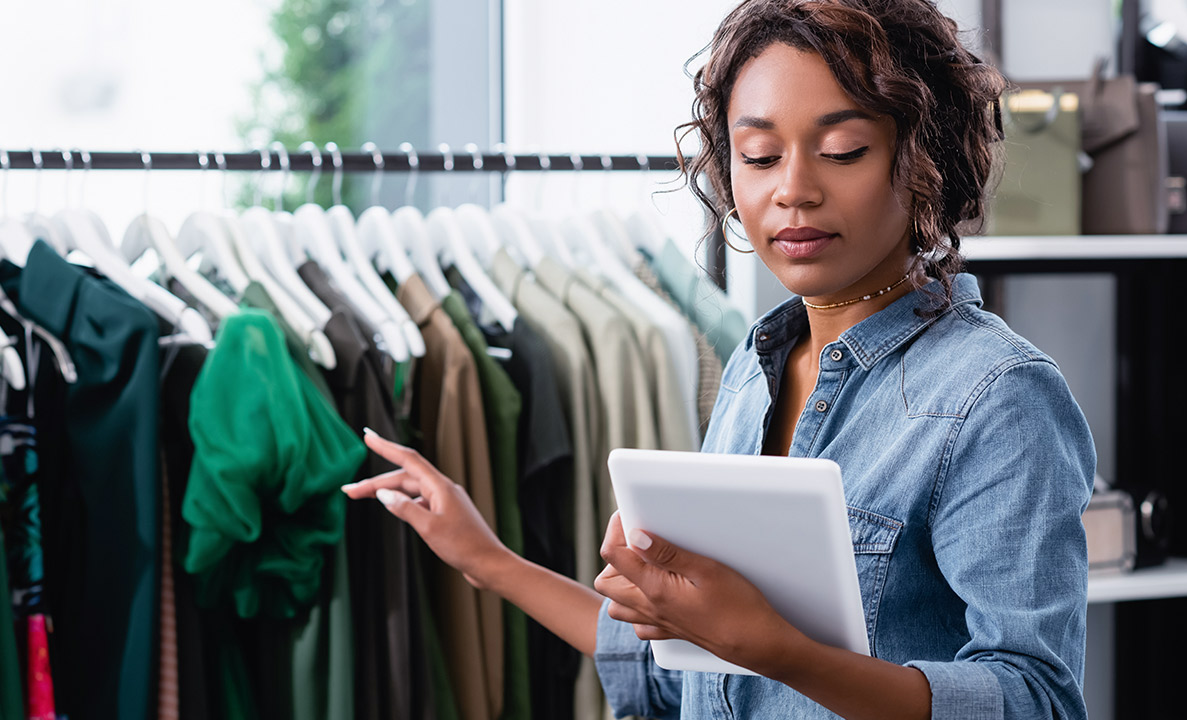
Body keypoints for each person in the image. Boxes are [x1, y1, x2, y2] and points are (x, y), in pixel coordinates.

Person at [343, 0, 1096, 717]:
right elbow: (686, 676)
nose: (793, 191)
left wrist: (782, 651)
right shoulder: (755, 366)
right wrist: (487, 560)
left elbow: (1035, 701)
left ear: (923, 157)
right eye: (759, 155)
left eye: (843, 150)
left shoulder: (998, 396)